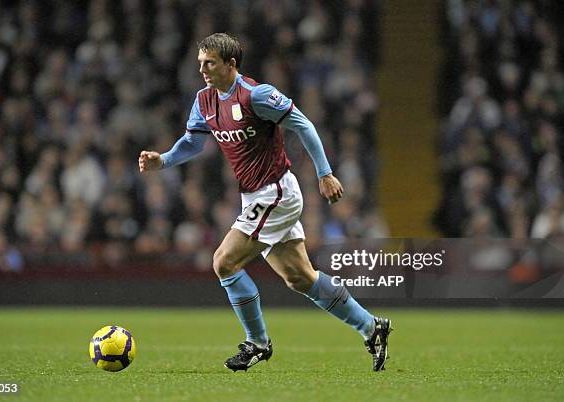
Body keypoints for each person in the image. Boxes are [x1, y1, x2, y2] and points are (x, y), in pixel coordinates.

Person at [139, 33, 392, 372]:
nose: (202, 69)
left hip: (276, 192)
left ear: (231, 64)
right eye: (200, 63)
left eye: (209, 63)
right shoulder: (203, 101)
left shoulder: (256, 95)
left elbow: (302, 124)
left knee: (224, 262)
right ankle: (371, 327)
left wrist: (325, 173)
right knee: (301, 278)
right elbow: (192, 142)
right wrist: (164, 160)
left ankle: (258, 343)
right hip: (256, 196)